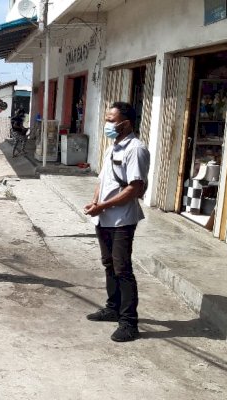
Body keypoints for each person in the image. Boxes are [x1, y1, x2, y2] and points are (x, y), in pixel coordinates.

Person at [84, 102, 150, 342]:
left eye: (112, 120)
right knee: (109, 264)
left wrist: (103, 206)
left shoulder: (136, 149)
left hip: (122, 219)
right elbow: (102, 180)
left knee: (122, 269)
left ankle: (129, 323)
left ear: (126, 123)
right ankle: (113, 308)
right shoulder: (114, 147)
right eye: (107, 119)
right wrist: (95, 202)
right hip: (104, 218)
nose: (107, 124)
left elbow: (135, 188)